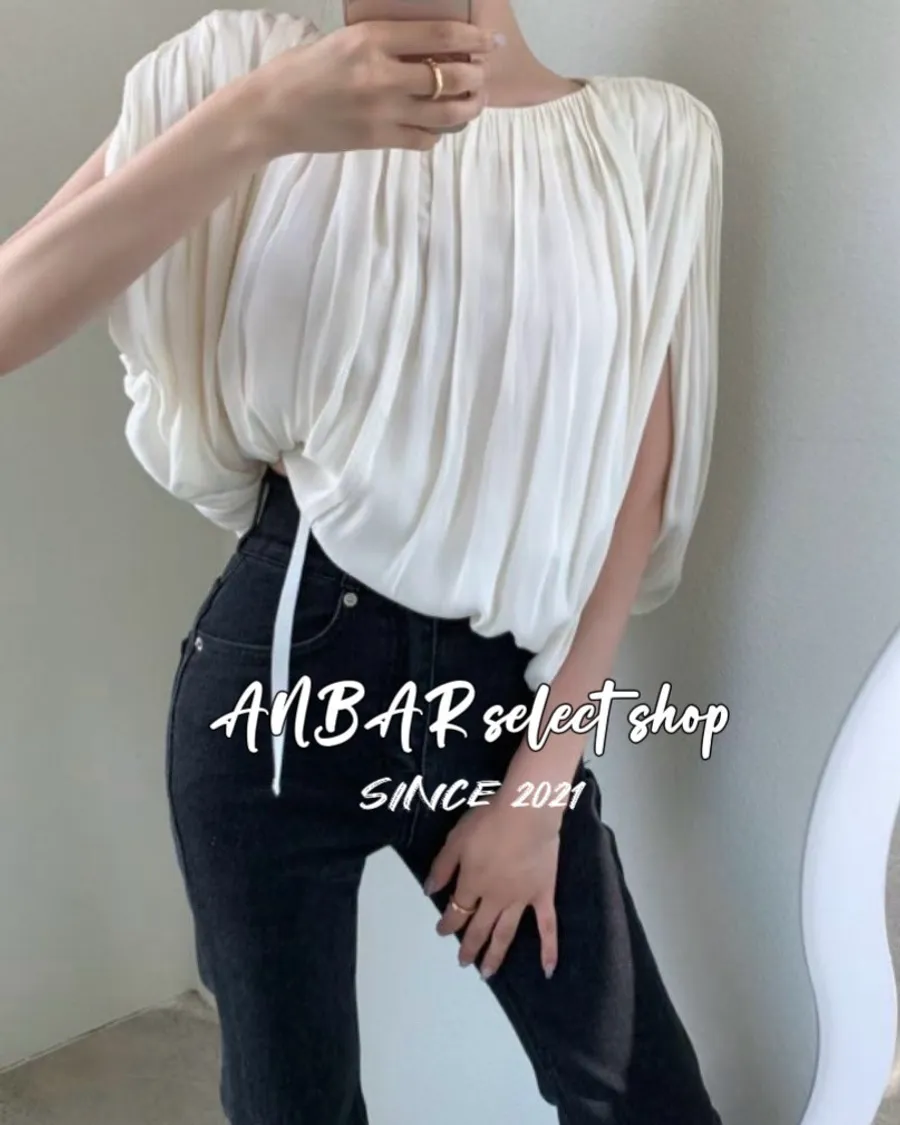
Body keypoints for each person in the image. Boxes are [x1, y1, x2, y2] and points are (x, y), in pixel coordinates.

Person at [0, 3, 724, 1122]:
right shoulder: (241, 67)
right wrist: (258, 118)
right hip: (273, 680)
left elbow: (642, 474)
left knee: (648, 1101)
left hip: (502, 705)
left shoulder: (650, 138)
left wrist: (539, 790)